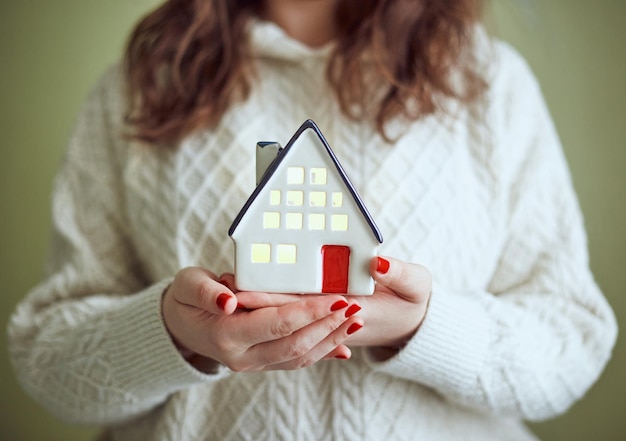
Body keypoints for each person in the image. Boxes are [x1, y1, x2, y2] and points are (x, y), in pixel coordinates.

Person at [8, 0, 618, 440]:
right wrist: (171, 335)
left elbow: (571, 341)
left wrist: (426, 330)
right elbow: (46, 356)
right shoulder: (139, 89)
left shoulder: (487, 83)